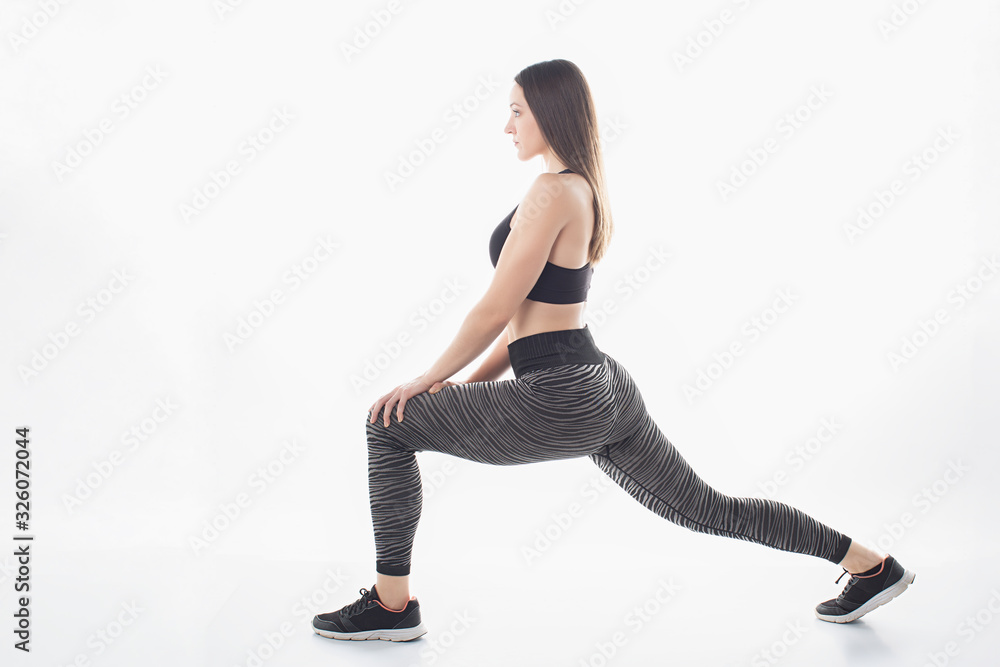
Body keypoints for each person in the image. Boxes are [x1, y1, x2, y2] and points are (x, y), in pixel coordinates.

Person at [312, 59, 915, 643]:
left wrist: (424, 380)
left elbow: (495, 310)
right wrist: (462, 386)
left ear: (549, 112)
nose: (507, 126)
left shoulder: (552, 191)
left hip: (558, 396)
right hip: (601, 387)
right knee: (707, 508)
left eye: (517, 112)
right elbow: (525, 323)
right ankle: (870, 565)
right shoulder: (580, 189)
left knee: (386, 426)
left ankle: (392, 605)